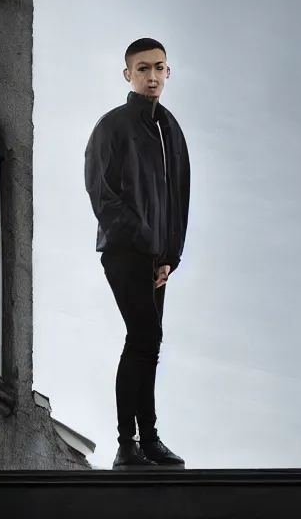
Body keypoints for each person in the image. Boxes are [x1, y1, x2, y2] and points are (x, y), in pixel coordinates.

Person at [84, 38, 191, 469]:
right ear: (128, 74)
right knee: (145, 338)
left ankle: (139, 444)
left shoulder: (171, 131)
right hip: (125, 250)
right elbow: (101, 192)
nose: (152, 76)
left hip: (156, 258)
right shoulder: (112, 125)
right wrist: (141, 240)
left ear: (169, 73)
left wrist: (168, 256)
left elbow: (178, 198)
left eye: (159, 68)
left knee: (146, 342)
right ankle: (134, 443)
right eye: (143, 68)